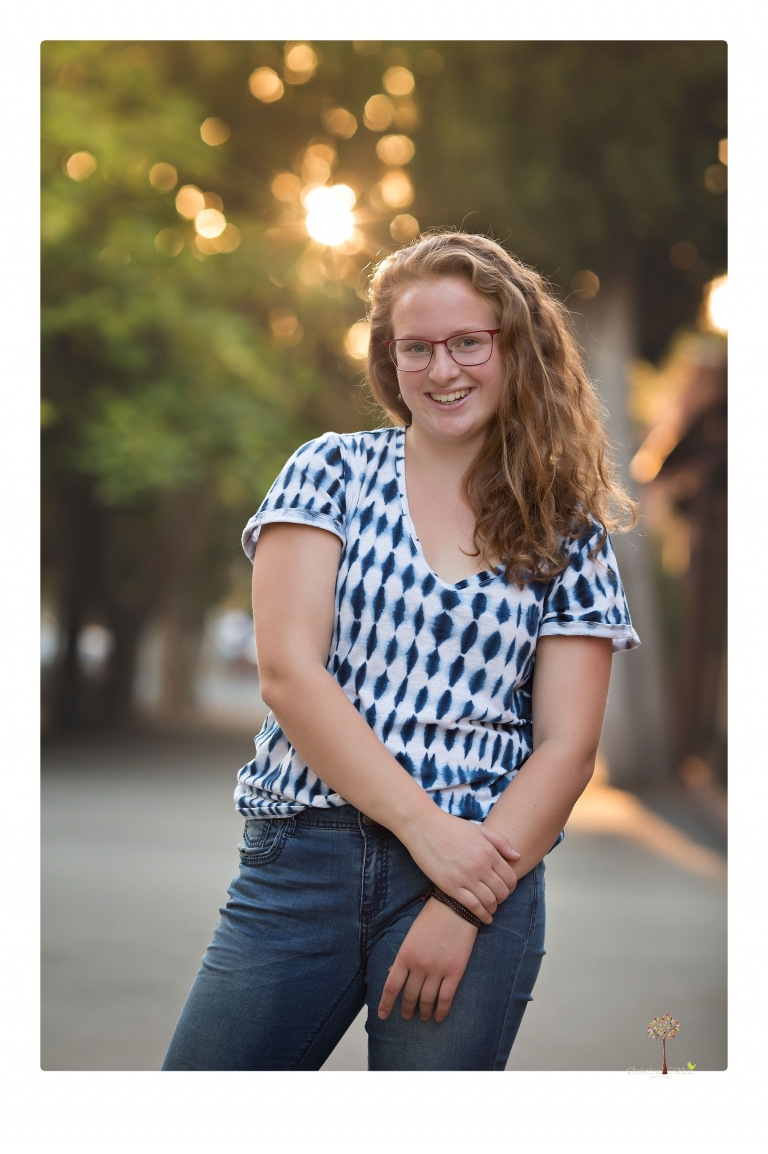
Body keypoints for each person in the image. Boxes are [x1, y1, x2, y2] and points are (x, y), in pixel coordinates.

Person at [162, 231, 639, 1072]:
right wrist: (426, 832)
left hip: (476, 883)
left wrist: (463, 901)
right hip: (302, 862)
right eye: (416, 347)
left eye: (467, 343)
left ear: (513, 349)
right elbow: (289, 675)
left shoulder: (570, 533)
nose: (442, 369)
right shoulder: (329, 473)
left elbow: (567, 749)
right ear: (389, 358)